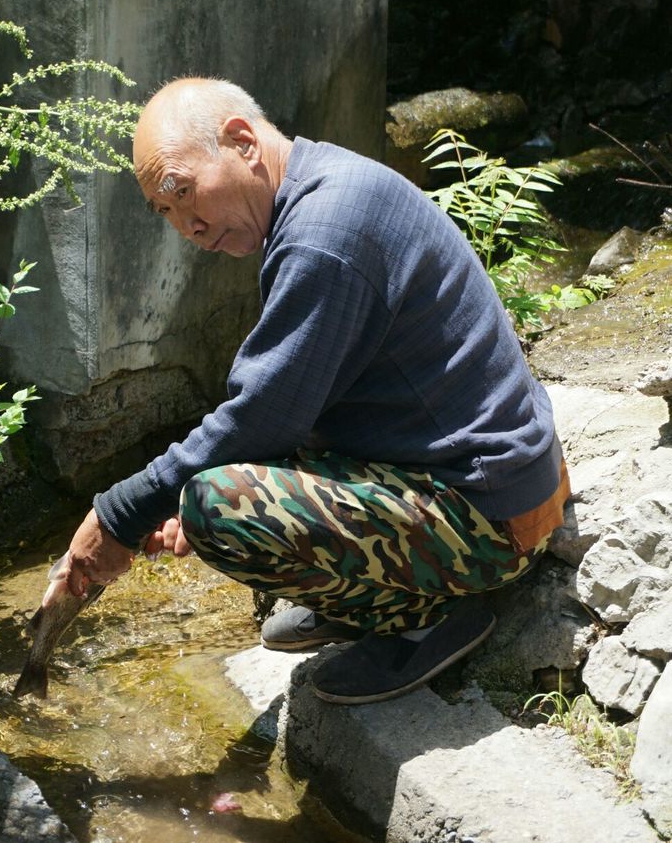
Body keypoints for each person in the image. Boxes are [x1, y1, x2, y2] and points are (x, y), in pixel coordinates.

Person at [64, 76, 570, 705]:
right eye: (165, 212)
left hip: (492, 520)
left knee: (217, 506)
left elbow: (257, 419)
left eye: (185, 193)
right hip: (483, 473)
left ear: (242, 142)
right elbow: (280, 412)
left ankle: (424, 617)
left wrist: (118, 516)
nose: (186, 227)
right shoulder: (320, 188)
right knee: (233, 477)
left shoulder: (322, 234)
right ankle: (371, 598)